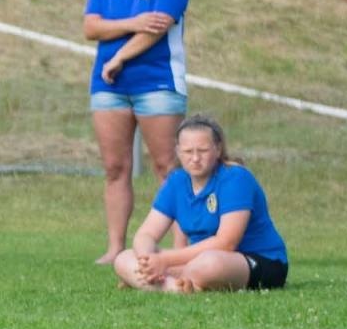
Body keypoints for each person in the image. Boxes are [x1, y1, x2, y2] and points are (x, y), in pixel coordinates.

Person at [84, 0, 190, 264]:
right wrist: (132, 21)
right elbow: (92, 28)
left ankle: (179, 250)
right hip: (109, 88)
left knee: (167, 167)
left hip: (157, 83)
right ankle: (116, 247)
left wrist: (118, 58)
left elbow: (156, 29)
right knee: (115, 166)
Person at [113, 114, 287, 293]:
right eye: (188, 152)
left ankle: (155, 282)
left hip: (257, 260)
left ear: (218, 149)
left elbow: (226, 243)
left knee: (208, 265)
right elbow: (146, 234)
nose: (195, 158)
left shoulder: (235, 178)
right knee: (123, 258)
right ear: (179, 152)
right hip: (194, 262)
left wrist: (164, 260)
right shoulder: (176, 181)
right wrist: (146, 260)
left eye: (202, 150)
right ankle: (177, 288)